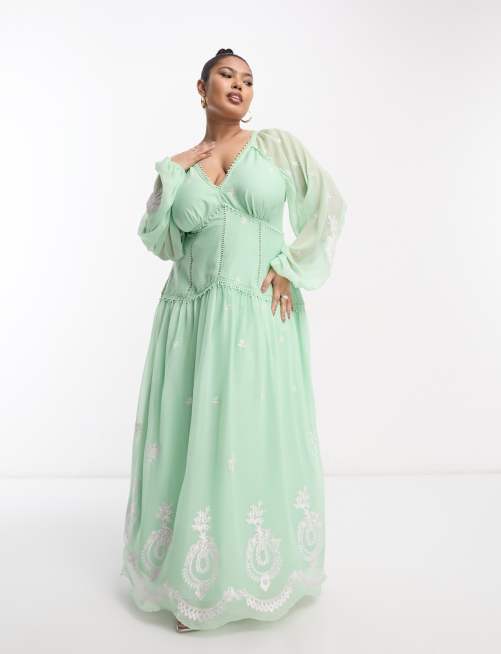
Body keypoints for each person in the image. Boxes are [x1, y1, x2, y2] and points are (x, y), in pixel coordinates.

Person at [120, 47, 347, 633]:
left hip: (255, 316)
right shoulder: (183, 167)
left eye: (248, 79)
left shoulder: (274, 148)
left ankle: (255, 573)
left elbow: (327, 204)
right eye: (226, 75)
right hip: (190, 318)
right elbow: (158, 238)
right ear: (202, 88)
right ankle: (192, 583)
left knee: (245, 435)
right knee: (193, 438)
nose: (239, 85)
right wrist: (172, 170)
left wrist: (289, 267)